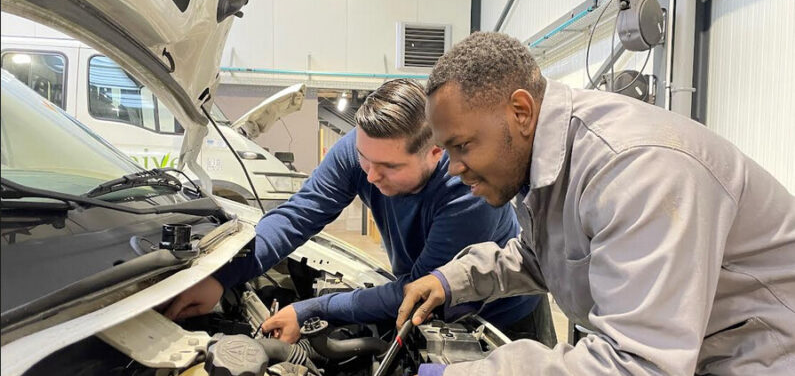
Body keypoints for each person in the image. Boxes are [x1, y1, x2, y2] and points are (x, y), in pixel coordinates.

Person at [398, 32, 795, 375]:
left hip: (768, 357)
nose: (452, 169)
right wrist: (452, 281)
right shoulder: (551, 165)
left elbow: (635, 364)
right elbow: (545, 256)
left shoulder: (635, 170)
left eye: (462, 146)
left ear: (521, 111)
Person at [165, 79, 550, 345]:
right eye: (364, 159)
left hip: (500, 315)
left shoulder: (467, 189)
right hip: (421, 293)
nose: (369, 174)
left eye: (389, 167)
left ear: (436, 151)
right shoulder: (361, 150)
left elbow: (414, 291)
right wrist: (224, 276)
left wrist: (313, 309)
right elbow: (298, 214)